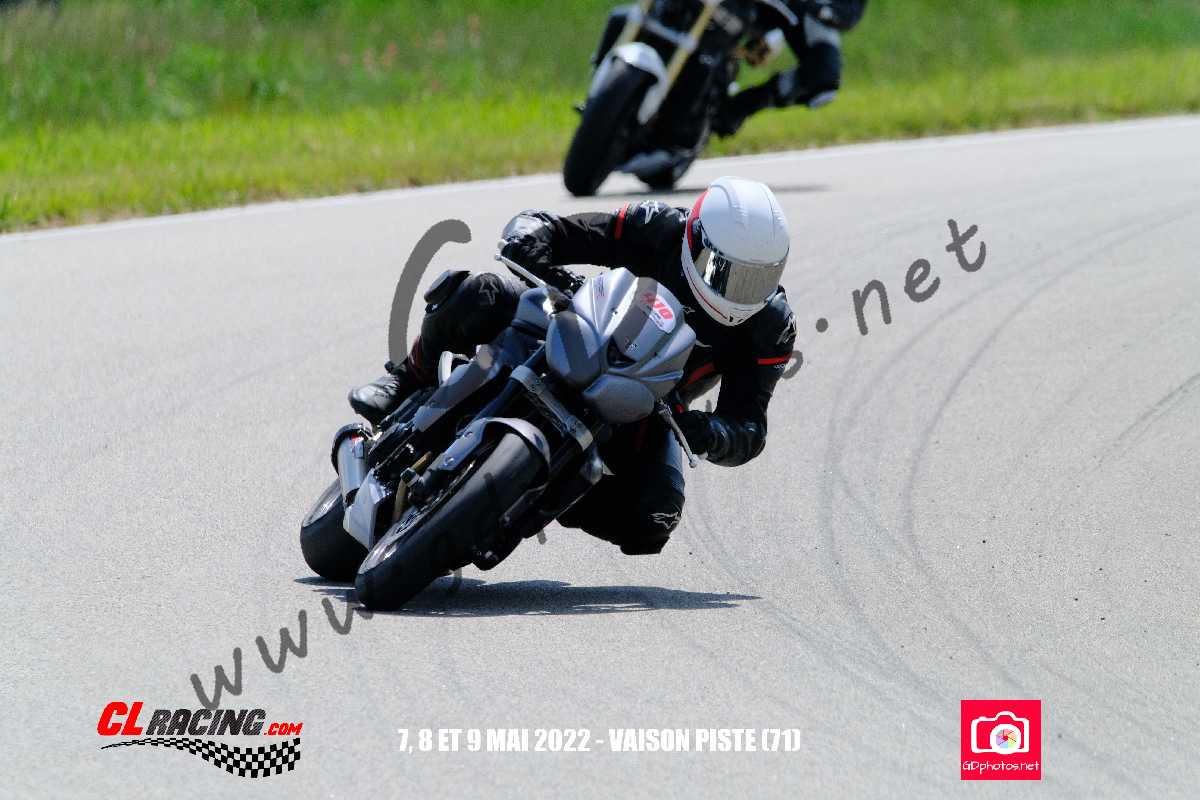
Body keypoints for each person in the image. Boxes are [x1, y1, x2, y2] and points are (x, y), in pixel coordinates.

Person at [349, 177, 797, 556]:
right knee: (480, 292)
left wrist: (711, 434)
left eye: (758, 278)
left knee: (652, 519)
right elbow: (565, 230)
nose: (740, 292)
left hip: (651, 403)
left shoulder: (771, 326)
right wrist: (532, 239)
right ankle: (406, 376)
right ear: (696, 240)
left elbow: (749, 425)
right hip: (580, 327)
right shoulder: (660, 227)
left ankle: (537, 492)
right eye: (726, 271)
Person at [713, 0, 868, 137]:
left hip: (802, 10)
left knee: (824, 78)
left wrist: (818, 9)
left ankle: (734, 109)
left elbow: (850, 13)